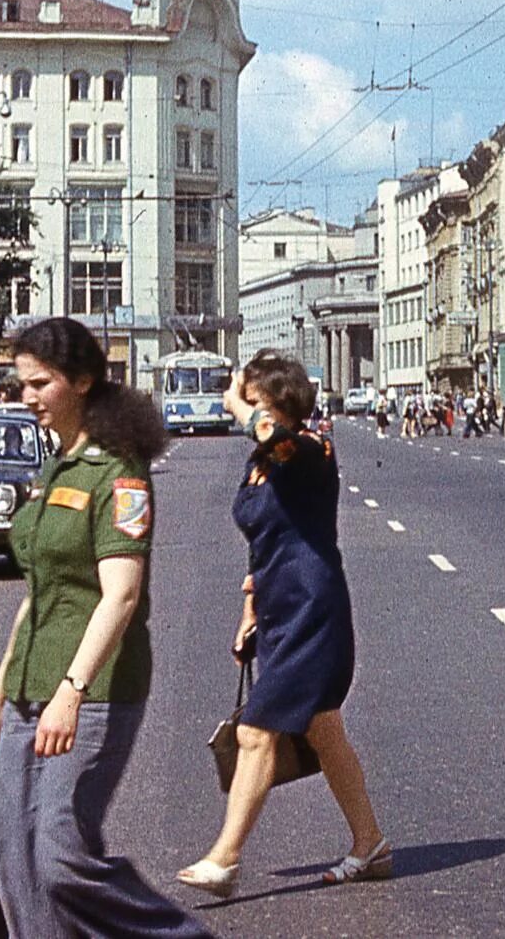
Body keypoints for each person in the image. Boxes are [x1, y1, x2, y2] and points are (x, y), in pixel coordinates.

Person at [0, 318, 212, 939]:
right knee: (15, 861)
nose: (26, 396)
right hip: (32, 682)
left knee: (61, 857)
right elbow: (38, 592)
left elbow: (122, 594)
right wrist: (1, 689)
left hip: (95, 686)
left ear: (81, 382)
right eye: (20, 384)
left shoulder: (118, 472)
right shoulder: (58, 467)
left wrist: (71, 692)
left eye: (40, 383)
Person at [179, 350, 388, 896]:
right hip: (277, 608)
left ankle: (224, 859)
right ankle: (370, 843)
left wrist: (238, 407)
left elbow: (277, 439)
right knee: (323, 729)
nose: (238, 405)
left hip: (311, 611)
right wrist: (249, 608)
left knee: (255, 730)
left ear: (272, 402)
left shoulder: (309, 451)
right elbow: (264, 541)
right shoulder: (262, 462)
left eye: (248, 396)